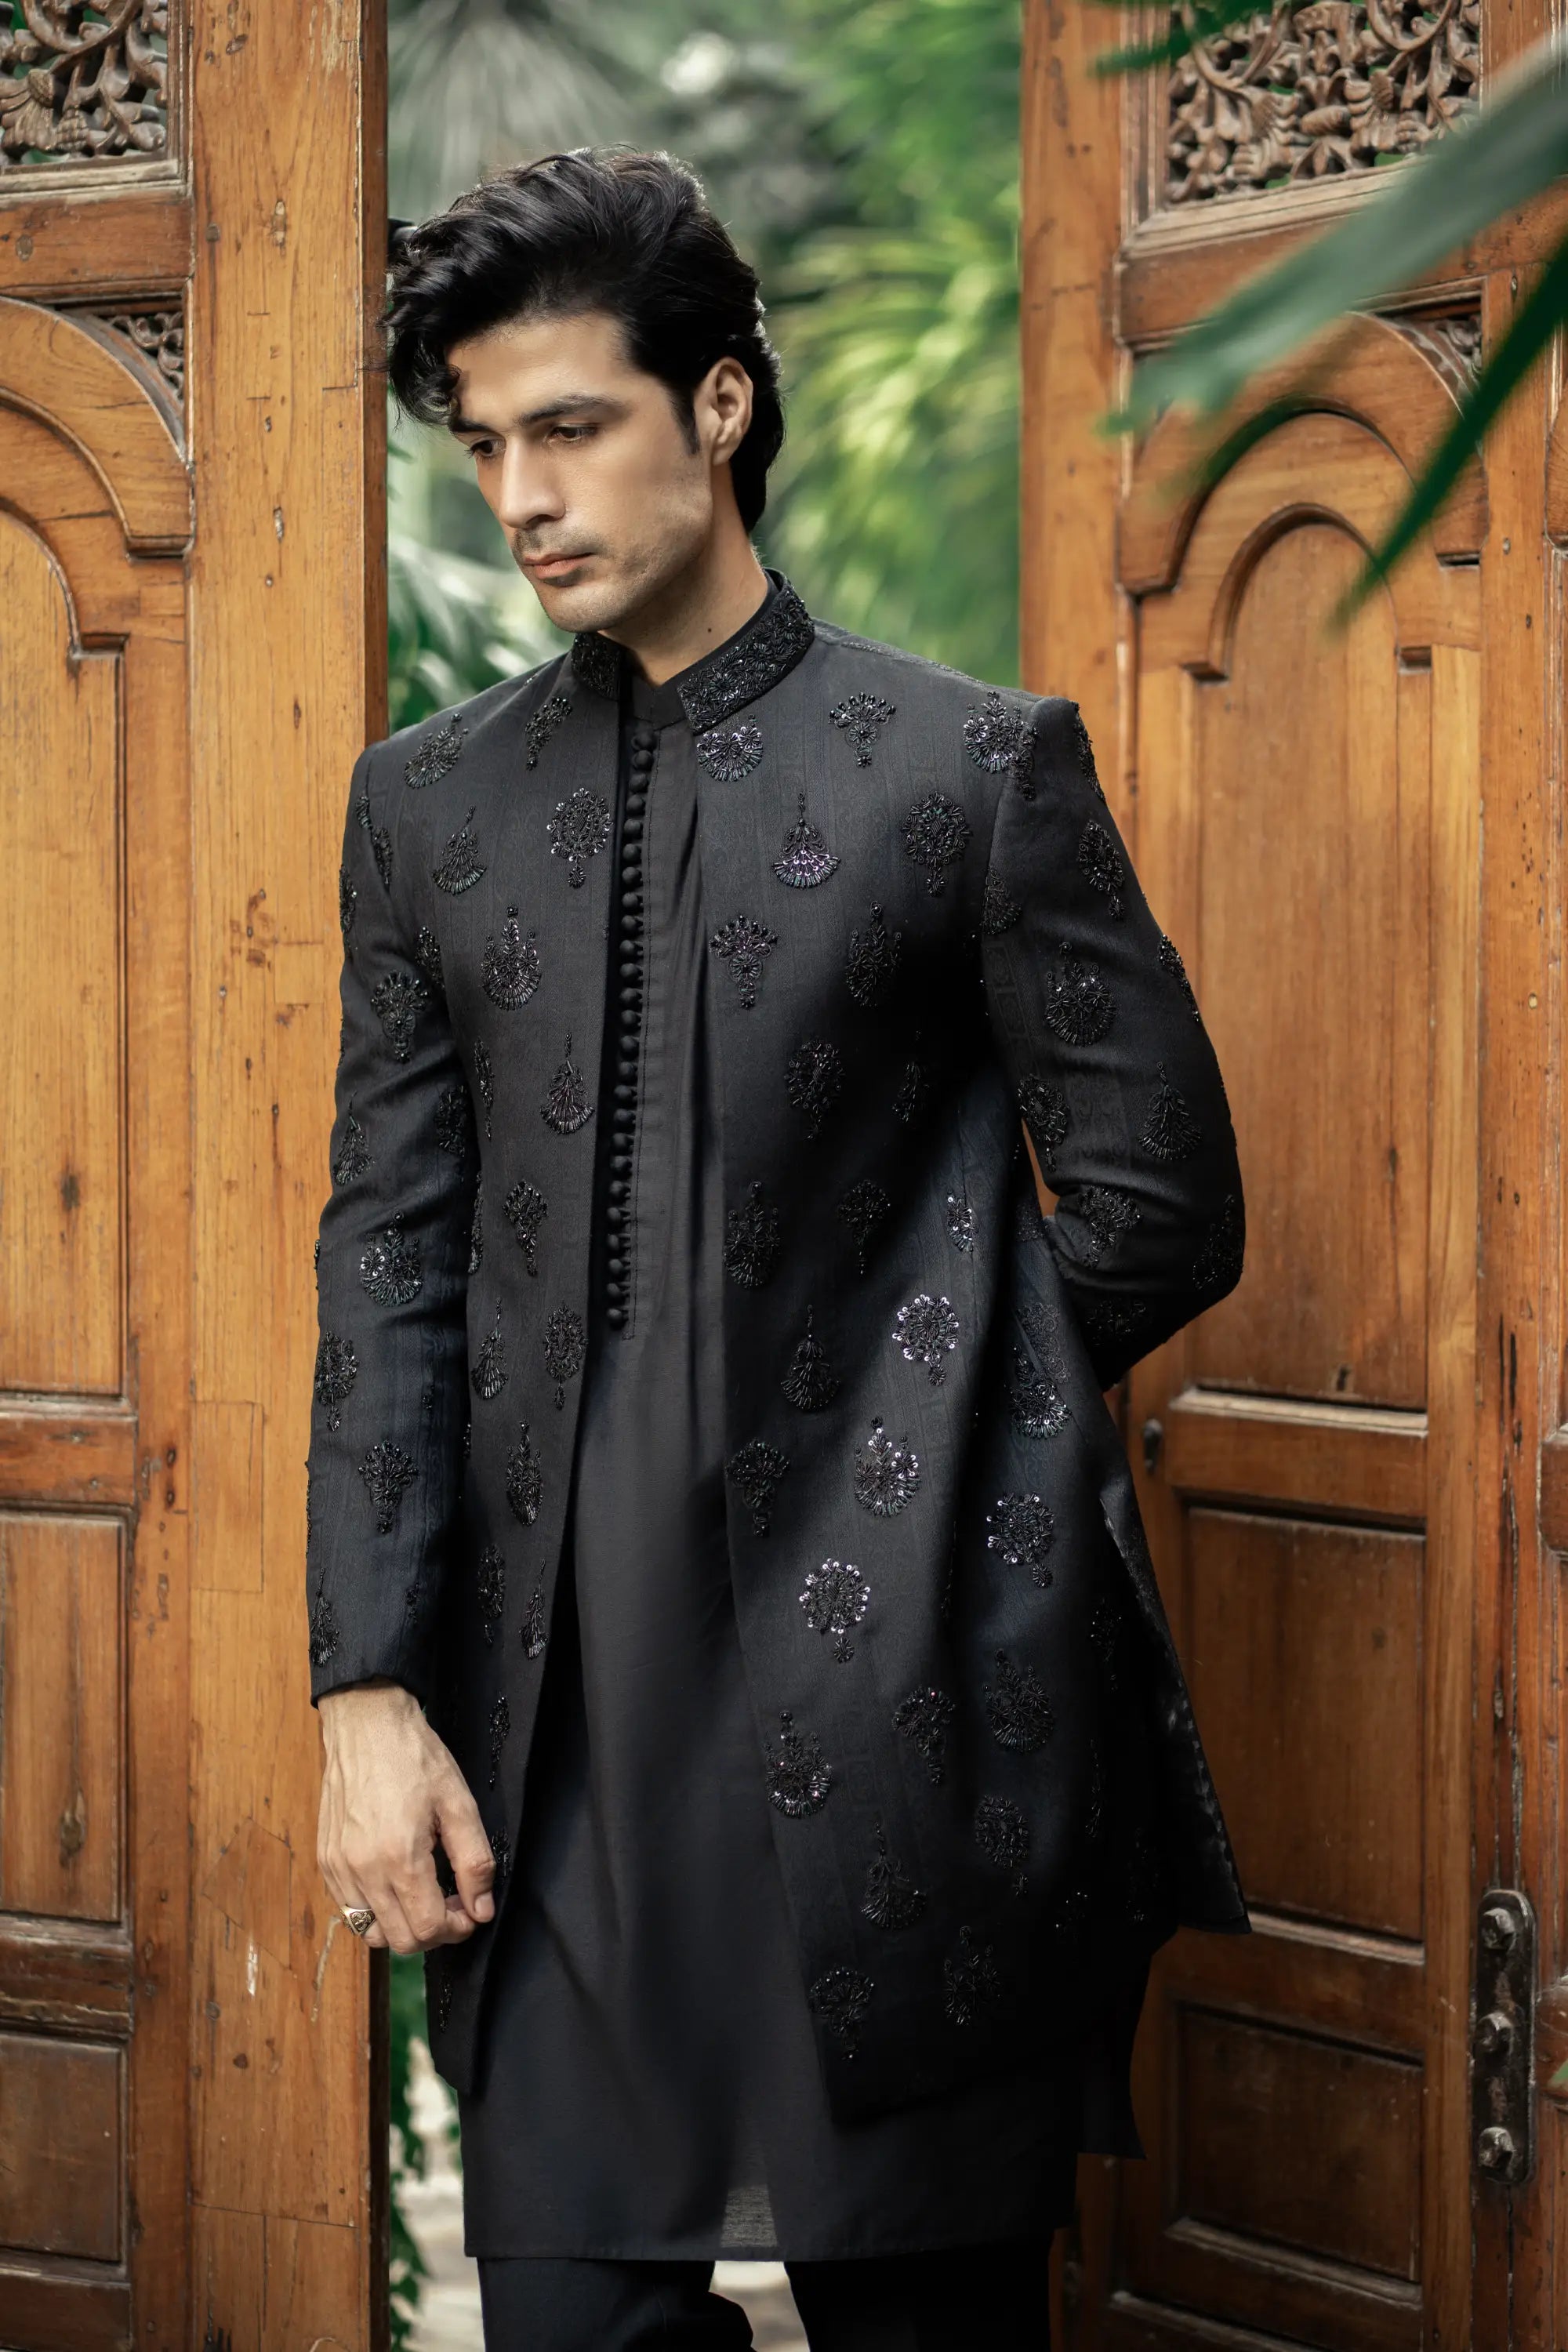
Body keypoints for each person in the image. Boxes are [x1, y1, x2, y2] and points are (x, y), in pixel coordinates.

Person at [307, 146, 1250, 2351]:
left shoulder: (964, 771)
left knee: (924, 2317)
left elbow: (1163, 1197)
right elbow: (390, 1265)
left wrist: (936, 1427)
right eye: (483, 450)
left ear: (718, 406)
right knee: (566, 2320)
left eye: (571, 428)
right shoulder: (425, 809)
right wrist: (368, 1685)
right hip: (556, 1746)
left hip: (907, 1701)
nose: (520, 498)